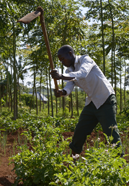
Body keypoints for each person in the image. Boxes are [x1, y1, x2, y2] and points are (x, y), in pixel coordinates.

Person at [50, 45, 123, 156]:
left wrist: (61, 76)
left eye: (63, 59)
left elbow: (82, 74)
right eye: (60, 61)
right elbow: (69, 86)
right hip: (91, 102)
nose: (62, 62)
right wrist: (62, 92)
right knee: (80, 131)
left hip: (105, 98)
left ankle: (119, 162)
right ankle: (74, 158)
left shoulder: (86, 59)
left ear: (70, 54)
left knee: (111, 131)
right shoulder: (68, 70)